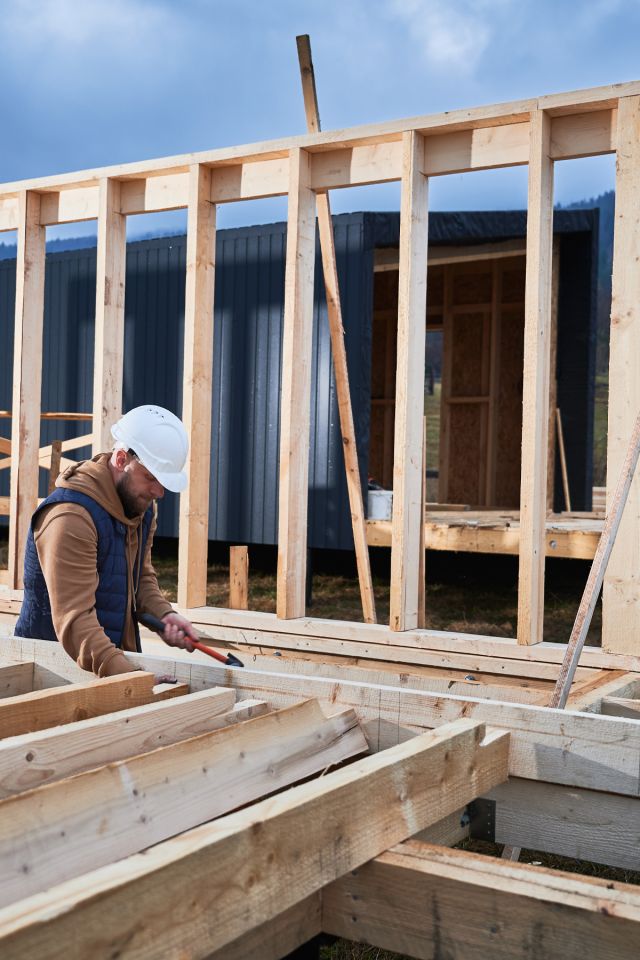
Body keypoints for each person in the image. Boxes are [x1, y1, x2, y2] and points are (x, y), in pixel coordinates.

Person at [15, 404, 198, 676]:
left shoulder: (140, 505)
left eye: (163, 482)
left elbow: (140, 577)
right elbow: (76, 622)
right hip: (53, 671)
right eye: (151, 478)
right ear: (122, 459)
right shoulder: (70, 517)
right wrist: (132, 680)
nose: (159, 492)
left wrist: (165, 615)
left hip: (108, 664)